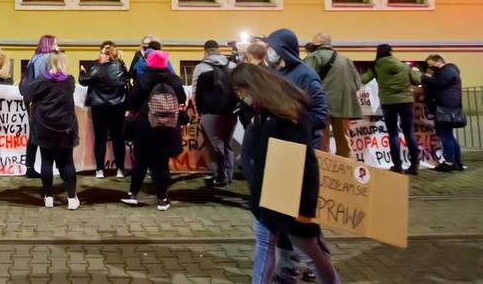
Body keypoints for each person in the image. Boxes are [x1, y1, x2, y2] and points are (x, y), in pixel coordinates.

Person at [231, 63, 341, 284]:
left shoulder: (288, 113)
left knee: (312, 254)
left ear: (253, 86)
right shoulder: (262, 112)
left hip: (289, 202)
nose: (240, 97)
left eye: (240, 91)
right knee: (264, 247)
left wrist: (306, 207)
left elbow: (306, 161)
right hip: (265, 198)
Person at [264, 28, 329, 283]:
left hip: (303, 152)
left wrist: (292, 124)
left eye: (273, 47)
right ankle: (287, 267)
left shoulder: (306, 76)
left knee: (305, 220)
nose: (270, 51)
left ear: (284, 49)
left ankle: (317, 262)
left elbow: (320, 115)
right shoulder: (280, 73)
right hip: (283, 153)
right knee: (284, 215)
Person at [121, 49, 186, 211]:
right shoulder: (174, 80)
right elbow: (183, 99)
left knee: (141, 161)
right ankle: (162, 199)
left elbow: (131, 102)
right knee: (162, 163)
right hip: (169, 126)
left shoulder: (143, 79)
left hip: (145, 126)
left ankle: (132, 195)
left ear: (149, 63)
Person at [20, 50, 81, 209]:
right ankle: (71, 198)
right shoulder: (70, 81)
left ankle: (48, 197)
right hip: (65, 127)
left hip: (44, 125)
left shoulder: (41, 80)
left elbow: (28, 95)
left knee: (46, 161)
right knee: (68, 162)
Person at [360, 44, 421, 175]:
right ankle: (414, 165)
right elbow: (417, 80)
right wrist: (415, 70)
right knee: (409, 133)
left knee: (393, 134)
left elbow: (363, 79)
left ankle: (397, 165)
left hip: (388, 104)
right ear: (391, 52)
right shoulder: (404, 66)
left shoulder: (376, 67)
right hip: (406, 102)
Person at [303, 33, 362, 159]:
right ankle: (346, 170)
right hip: (344, 107)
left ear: (318, 43)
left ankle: (326, 172)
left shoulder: (314, 57)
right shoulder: (345, 59)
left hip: (321, 106)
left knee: (323, 144)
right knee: (344, 144)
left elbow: (306, 81)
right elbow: (357, 84)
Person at [191, 40, 238, 187]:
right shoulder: (232, 66)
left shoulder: (200, 67)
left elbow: (195, 91)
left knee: (215, 145)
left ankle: (219, 176)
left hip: (210, 112)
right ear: (218, 50)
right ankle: (229, 176)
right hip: (231, 111)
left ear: (205, 52)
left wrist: (198, 110)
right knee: (228, 143)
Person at [79, 42, 129, 179]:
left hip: (99, 106)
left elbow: (83, 80)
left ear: (106, 54)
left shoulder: (96, 67)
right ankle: (120, 169)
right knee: (118, 138)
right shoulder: (120, 66)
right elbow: (126, 81)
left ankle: (99, 169)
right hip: (118, 106)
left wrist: (82, 71)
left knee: (100, 139)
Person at [21, 35, 59, 178]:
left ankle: (29, 166)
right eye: (56, 44)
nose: (57, 47)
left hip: (32, 99)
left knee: (33, 133)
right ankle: (49, 165)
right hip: (44, 100)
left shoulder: (34, 58)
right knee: (46, 134)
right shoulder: (50, 59)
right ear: (49, 45)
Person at [421, 54, 464, 172]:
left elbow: (438, 83)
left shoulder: (446, 71)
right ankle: (457, 161)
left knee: (445, 136)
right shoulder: (450, 71)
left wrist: (424, 77)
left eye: (432, 64)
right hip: (451, 107)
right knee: (449, 135)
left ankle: (449, 162)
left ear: (439, 61)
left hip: (445, 108)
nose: (431, 67)